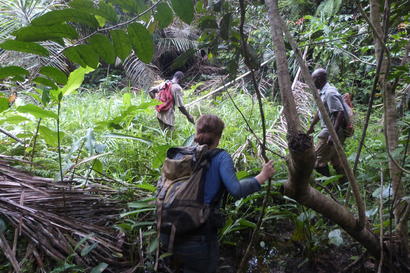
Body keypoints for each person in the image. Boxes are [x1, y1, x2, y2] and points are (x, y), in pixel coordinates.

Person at [160, 114, 275, 273]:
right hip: (198, 235)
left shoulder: (181, 155)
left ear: (196, 131)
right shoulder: (220, 157)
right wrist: (262, 176)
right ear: (219, 136)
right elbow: (236, 190)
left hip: (168, 233)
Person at [307, 68, 348, 182]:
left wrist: (332, 134)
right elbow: (320, 110)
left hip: (331, 130)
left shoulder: (330, 93)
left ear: (319, 79)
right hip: (331, 130)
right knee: (336, 160)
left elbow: (339, 113)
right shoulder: (323, 93)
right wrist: (312, 126)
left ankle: (328, 186)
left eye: (313, 79)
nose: (312, 81)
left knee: (317, 160)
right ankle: (345, 185)